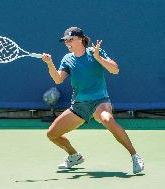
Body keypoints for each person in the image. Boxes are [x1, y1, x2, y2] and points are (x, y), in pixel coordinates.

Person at [41, 27, 144, 174]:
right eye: (65, 41)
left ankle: (135, 155)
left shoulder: (95, 52)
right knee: (52, 134)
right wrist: (49, 63)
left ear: (81, 39)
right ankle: (74, 155)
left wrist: (98, 58)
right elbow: (58, 79)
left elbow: (115, 70)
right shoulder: (67, 59)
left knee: (107, 119)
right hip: (79, 106)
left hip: (99, 101)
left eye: (70, 40)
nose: (67, 43)